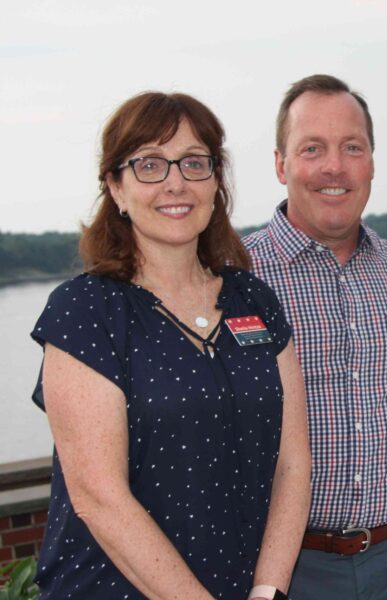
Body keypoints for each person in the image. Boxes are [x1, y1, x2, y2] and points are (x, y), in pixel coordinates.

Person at [30, 91, 311, 600]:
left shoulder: (257, 301)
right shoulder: (85, 314)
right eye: (150, 165)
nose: (176, 182)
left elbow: (293, 463)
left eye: (194, 163)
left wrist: (270, 590)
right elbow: (99, 497)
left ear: (216, 181)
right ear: (115, 187)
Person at [243, 74, 387, 600]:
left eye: (351, 148)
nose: (334, 167)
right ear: (281, 164)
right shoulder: (233, 277)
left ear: (372, 162)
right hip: (288, 569)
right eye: (313, 148)